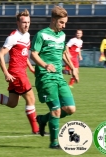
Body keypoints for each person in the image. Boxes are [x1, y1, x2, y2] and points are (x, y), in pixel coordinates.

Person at [0, 9, 39, 134]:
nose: (26, 25)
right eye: (24, 22)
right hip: (16, 73)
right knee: (31, 99)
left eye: (28, 22)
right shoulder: (13, 37)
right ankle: (37, 130)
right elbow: (0, 55)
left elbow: (24, 54)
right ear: (18, 23)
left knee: (12, 103)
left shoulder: (27, 35)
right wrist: (6, 73)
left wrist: (30, 67)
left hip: (20, 72)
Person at [30, 6, 79, 149]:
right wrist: (45, 65)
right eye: (61, 23)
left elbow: (64, 53)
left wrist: (73, 68)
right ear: (53, 20)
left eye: (65, 23)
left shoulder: (62, 36)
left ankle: (43, 119)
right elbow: (34, 54)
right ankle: (54, 143)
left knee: (70, 109)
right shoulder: (41, 35)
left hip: (59, 77)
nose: (64, 26)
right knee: (56, 109)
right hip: (45, 77)